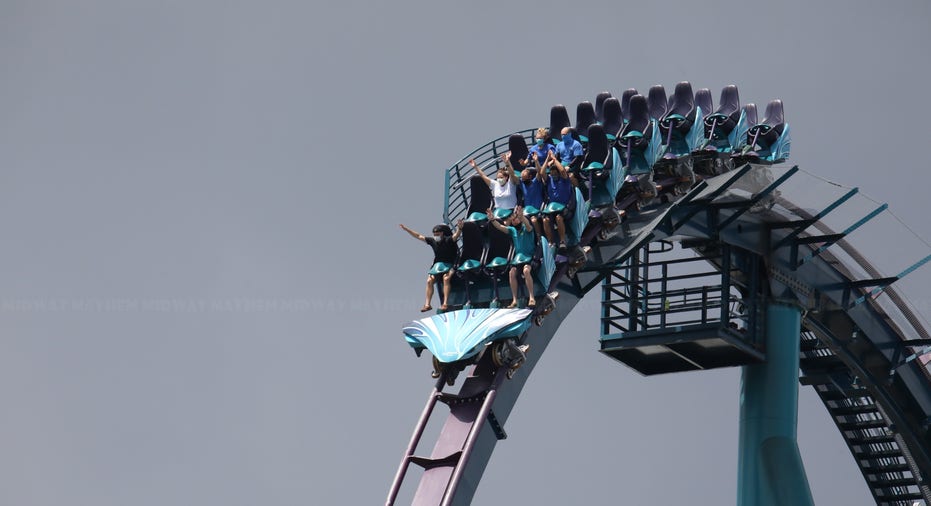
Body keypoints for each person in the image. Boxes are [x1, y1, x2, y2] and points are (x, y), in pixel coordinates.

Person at [399, 221, 463, 312]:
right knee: (429, 280)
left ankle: (445, 303)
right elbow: (418, 236)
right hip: (438, 266)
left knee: (446, 278)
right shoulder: (432, 241)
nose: (436, 235)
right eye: (434, 234)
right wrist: (406, 229)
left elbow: (456, 235)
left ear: (442, 233)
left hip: (451, 264)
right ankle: (427, 304)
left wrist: (460, 228)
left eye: (438, 234)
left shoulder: (448, 239)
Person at [488, 206, 538, 308]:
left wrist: (522, 216)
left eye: (516, 218)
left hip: (529, 257)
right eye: (513, 219)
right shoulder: (513, 230)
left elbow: (528, 225)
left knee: (526, 271)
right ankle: (514, 299)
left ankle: (531, 297)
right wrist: (492, 219)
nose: (514, 220)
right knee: (511, 273)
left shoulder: (528, 229)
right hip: (518, 259)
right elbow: (500, 227)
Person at [538, 151, 574, 249]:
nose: (553, 175)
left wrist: (554, 159)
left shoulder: (564, 180)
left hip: (566, 208)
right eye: (551, 173)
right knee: (545, 220)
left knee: (559, 218)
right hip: (552, 209)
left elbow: (562, 170)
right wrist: (547, 159)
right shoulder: (549, 180)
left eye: (555, 173)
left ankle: (562, 240)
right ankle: (550, 242)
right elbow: (542, 172)